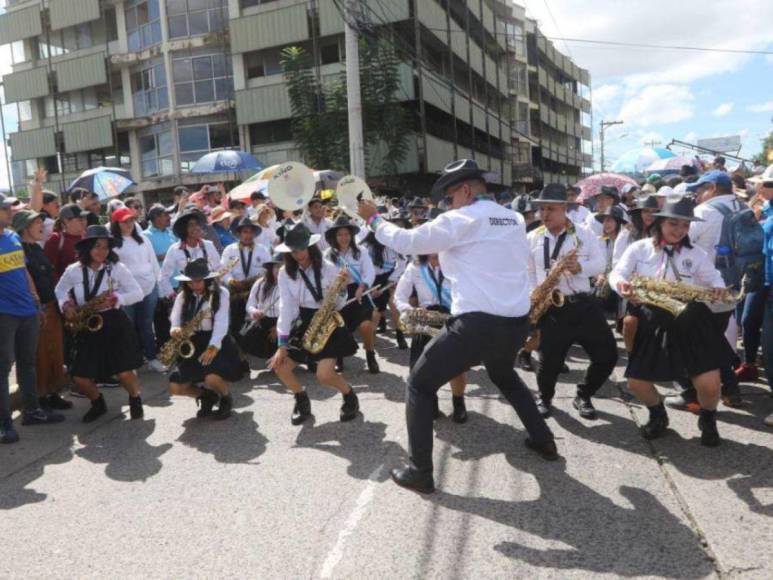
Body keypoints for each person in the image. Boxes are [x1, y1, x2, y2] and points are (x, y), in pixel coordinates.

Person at [358, 159, 557, 494]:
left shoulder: (462, 217)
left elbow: (407, 242)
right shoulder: (512, 218)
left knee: (420, 386)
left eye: (449, 197)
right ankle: (544, 440)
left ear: (465, 190)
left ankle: (420, 471)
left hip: (477, 321)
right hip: (515, 321)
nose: (447, 204)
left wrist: (373, 218)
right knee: (504, 375)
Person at [609, 196, 729, 446]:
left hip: (691, 319)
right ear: (660, 222)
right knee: (636, 382)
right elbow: (618, 272)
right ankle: (658, 414)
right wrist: (622, 285)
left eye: (685, 226)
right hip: (652, 318)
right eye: (673, 223)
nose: (679, 230)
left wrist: (717, 287)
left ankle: (707, 418)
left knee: (710, 385)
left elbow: (713, 276)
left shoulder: (696, 253)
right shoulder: (639, 248)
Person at [528, 184, 617, 420]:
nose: (544, 215)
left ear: (565, 209)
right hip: (551, 307)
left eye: (551, 209)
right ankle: (545, 398)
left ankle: (584, 394)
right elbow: (526, 273)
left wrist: (580, 268)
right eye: (541, 209)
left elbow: (600, 265)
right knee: (549, 362)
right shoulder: (532, 238)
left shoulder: (584, 234)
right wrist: (533, 298)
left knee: (608, 355)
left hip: (583, 304)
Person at [268, 223, 360, 425]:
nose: (298, 254)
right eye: (293, 250)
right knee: (280, 367)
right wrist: (281, 345)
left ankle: (349, 395)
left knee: (324, 375)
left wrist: (343, 288)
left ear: (309, 247)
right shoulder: (285, 272)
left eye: (301, 249)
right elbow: (286, 306)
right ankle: (301, 400)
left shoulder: (328, 267)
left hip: (329, 321)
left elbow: (339, 302)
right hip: (305, 321)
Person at [54, 225, 145, 423]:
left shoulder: (117, 269)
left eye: (105, 247)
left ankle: (135, 398)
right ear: (86, 248)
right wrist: (66, 305)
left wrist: (117, 298)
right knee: (79, 375)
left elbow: (137, 292)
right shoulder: (73, 271)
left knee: (124, 372)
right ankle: (98, 403)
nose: (102, 251)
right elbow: (59, 291)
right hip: (87, 324)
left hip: (114, 322)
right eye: (97, 246)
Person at [1, 195, 65, 444]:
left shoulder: (12, 237)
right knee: (3, 368)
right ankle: (4, 423)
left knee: (27, 364)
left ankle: (32, 411)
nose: (9, 211)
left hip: (27, 311)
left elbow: (23, 271)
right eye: (4, 208)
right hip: (4, 314)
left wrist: (35, 300)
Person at [681, 171, 745, 407]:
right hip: (734, 284)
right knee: (714, 337)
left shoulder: (704, 212)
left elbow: (680, 241)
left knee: (701, 340)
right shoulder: (742, 205)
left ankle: (699, 395)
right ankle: (730, 389)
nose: (697, 195)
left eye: (700, 190)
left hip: (704, 287)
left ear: (714, 187)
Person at [395, 252, 467, 422]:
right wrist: (410, 310)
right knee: (422, 368)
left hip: (452, 318)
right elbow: (399, 297)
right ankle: (430, 403)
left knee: (456, 368)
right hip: (426, 320)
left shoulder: (457, 263)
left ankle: (458, 402)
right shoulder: (415, 267)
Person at [167, 258, 243, 420]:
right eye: (190, 282)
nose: (194, 285)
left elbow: (222, 323)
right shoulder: (183, 296)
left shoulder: (221, 293)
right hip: (192, 342)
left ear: (207, 279)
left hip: (216, 340)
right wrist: (175, 328)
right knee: (175, 386)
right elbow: (175, 317)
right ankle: (207, 396)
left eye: (198, 281)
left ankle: (225, 398)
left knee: (211, 376)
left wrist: (213, 347)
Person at [14, 210, 71, 412]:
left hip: (52, 306)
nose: (42, 225)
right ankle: (41, 397)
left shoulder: (36, 248)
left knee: (55, 352)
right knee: (40, 356)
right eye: (36, 222)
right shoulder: (18, 250)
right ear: (25, 227)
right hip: (36, 310)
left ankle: (53, 393)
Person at [110, 207, 165, 373]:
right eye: (125, 221)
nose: (129, 224)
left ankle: (151, 357)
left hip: (149, 288)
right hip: (126, 293)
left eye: (131, 220)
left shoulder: (142, 239)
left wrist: (159, 285)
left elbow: (153, 263)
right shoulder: (112, 243)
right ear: (116, 223)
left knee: (147, 325)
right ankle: (132, 361)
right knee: (128, 327)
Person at [323, 215, 380, 374]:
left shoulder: (361, 251)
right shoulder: (328, 254)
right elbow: (324, 276)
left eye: (347, 234)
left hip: (358, 291)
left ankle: (370, 354)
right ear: (335, 236)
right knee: (339, 327)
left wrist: (362, 286)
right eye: (340, 234)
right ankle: (339, 357)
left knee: (366, 325)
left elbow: (369, 271)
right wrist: (336, 283)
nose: (344, 238)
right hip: (337, 293)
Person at [362, 216, 408, 350]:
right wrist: (367, 284)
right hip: (371, 279)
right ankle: (371, 344)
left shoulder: (393, 244)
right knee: (375, 313)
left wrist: (392, 279)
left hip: (389, 278)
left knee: (395, 307)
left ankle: (400, 335)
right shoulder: (365, 246)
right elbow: (359, 266)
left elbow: (402, 263)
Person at [221, 218, 270, 340]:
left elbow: (269, 269)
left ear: (254, 233)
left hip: (258, 291)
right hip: (236, 291)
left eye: (250, 232)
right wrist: (232, 281)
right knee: (236, 322)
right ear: (239, 233)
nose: (248, 235)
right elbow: (223, 272)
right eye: (245, 232)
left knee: (257, 321)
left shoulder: (263, 250)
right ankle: (239, 345)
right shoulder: (229, 250)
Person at [159, 210, 221, 300]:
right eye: (191, 225)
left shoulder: (208, 245)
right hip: (187, 293)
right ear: (183, 229)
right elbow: (163, 276)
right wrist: (172, 295)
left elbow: (218, 268)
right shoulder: (175, 249)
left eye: (197, 224)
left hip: (209, 291)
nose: (196, 228)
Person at [144, 204, 178, 348]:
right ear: (156, 218)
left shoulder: (171, 233)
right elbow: (146, 259)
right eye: (165, 215)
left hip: (177, 282)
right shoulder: (146, 236)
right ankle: (165, 349)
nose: (169, 217)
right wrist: (166, 256)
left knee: (178, 318)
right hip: (160, 285)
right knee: (162, 321)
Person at [242, 253, 282, 360]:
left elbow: (294, 312)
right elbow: (250, 304)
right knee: (245, 335)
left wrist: (278, 328)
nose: (279, 270)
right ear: (271, 268)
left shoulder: (292, 284)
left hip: (283, 323)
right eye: (277, 266)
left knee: (282, 342)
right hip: (262, 320)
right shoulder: (260, 283)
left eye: (283, 266)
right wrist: (254, 312)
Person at [593, 205, 628, 313]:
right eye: (604, 221)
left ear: (618, 222)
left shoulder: (625, 241)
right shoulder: (600, 240)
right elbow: (595, 261)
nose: (606, 224)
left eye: (609, 220)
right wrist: (598, 275)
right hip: (602, 281)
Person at [44, 203, 86, 280]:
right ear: (66, 221)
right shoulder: (55, 239)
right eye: (80, 219)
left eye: (84, 218)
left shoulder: (88, 236)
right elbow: (49, 269)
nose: (84, 221)